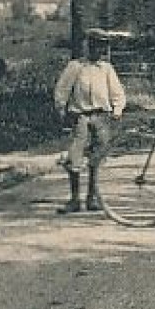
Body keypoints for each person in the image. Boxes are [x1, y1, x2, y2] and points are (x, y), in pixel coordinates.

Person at [52, 28, 126, 215]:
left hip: (101, 116)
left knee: (98, 157)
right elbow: (62, 89)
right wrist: (61, 108)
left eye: (101, 47)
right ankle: (75, 199)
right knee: (75, 156)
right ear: (87, 46)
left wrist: (117, 110)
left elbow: (117, 92)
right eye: (93, 46)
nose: (97, 51)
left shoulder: (107, 69)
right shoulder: (76, 67)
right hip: (81, 116)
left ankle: (93, 197)